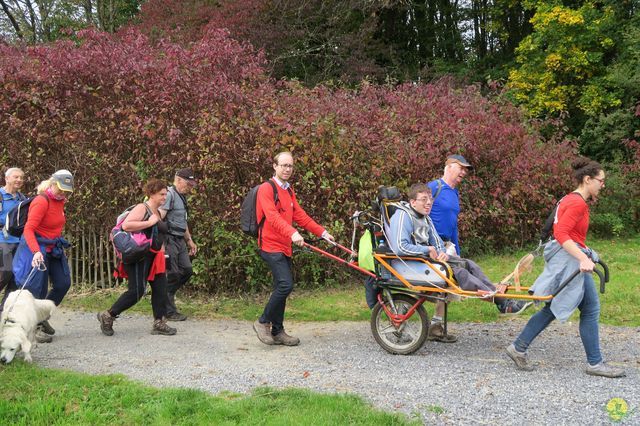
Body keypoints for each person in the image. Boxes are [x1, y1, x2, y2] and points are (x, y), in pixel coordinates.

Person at [506, 159, 625, 378]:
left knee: (561, 307)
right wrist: (582, 258)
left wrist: (589, 252)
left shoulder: (570, 199)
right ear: (587, 179)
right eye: (601, 181)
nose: (603, 185)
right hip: (569, 259)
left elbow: (570, 234)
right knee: (585, 309)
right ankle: (595, 363)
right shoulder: (577, 202)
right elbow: (561, 235)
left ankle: (519, 347)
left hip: (569, 257)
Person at [387, 184, 531, 340]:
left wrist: (442, 253)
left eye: (430, 199)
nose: (429, 202)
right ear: (413, 202)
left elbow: (437, 242)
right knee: (459, 273)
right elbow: (400, 247)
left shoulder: (425, 217)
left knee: (468, 264)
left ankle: (502, 301)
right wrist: (427, 250)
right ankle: (501, 301)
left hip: (425, 261)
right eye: (424, 199)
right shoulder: (403, 216)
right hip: (410, 264)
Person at [252, 151, 334, 346]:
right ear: (274, 166)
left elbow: (300, 216)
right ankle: (263, 322)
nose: (287, 169)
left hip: (284, 246)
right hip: (270, 245)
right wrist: (292, 233)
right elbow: (272, 216)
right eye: (283, 165)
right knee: (285, 285)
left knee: (283, 286)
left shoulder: (288, 190)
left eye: (290, 166)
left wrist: (322, 233)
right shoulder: (266, 189)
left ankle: (278, 331)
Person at [97, 179, 176, 337]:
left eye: (166, 194)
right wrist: (148, 222)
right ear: (151, 194)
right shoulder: (142, 208)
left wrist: (162, 252)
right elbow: (127, 225)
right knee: (137, 291)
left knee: (160, 287)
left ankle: (159, 322)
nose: (165, 197)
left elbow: (158, 233)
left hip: (155, 255)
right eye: (161, 194)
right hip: (138, 255)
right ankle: (108, 315)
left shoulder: (159, 212)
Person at [12, 170, 74, 343]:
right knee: (37, 288)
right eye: (61, 188)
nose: (63, 193)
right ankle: (34, 327)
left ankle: (41, 316)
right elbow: (28, 229)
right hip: (35, 247)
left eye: (66, 190)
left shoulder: (60, 201)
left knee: (63, 283)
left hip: (52, 247)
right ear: (52, 183)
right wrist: (36, 252)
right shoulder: (41, 201)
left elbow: (55, 225)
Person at [159, 168, 197, 321]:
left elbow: (183, 221)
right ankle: (168, 311)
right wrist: (160, 242)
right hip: (169, 239)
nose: (190, 187)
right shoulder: (169, 195)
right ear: (179, 180)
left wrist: (189, 240)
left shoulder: (182, 197)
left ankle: (166, 296)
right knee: (172, 273)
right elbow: (159, 218)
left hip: (180, 240)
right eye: (188, 184)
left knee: (187, 270)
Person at [427, 154, 473, 256]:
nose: (464, 172)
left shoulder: (455, 192)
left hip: (447, 246)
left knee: (465, 267)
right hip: (432, 246)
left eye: (465, 170)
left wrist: (458, 252)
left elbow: (453, 225)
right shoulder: (434, 187)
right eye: (461, 168)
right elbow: (416, 214)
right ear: (449, 167)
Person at [0, 167, 26, 311]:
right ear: (7, 178)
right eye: (16, 177)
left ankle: (4, 310)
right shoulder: (0, 196)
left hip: (20, 242)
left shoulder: (23, 199)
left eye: (21, 177)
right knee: (5, 273)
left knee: (17, 278)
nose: (19, 180)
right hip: (2, 241)